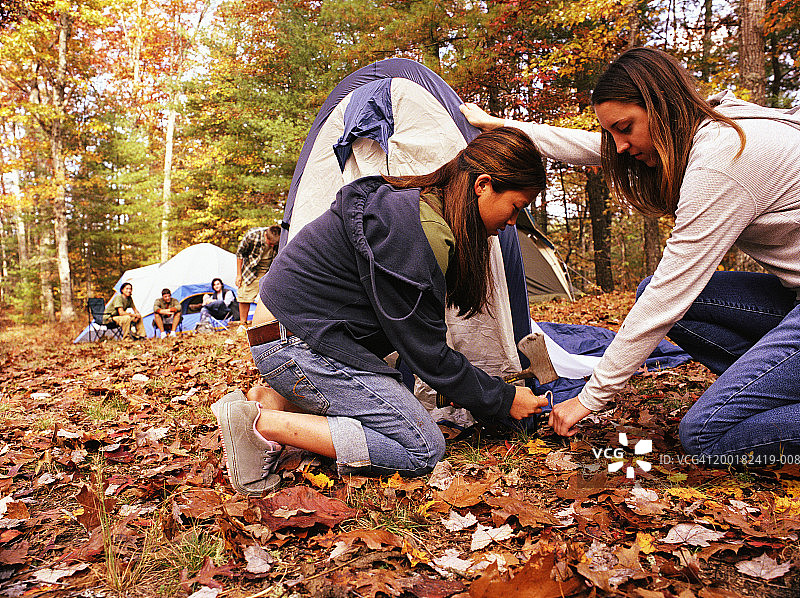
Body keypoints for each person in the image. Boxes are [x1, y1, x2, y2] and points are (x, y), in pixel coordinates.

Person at [461, 47, 800, 461]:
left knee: (705, 434)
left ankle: (760, 396)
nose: (619, 147)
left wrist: (589, 398)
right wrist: (500, 126)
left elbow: (669, 296)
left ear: (660, 104)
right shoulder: (708, 124)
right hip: (792, 293)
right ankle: (770, 387)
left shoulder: (724, 162)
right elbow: (589, 146)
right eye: (612, 134)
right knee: (647, 289)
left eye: (625, 128)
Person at [211, 127, 551, 495]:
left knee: (395, 414)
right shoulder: (423, 234)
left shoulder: (417, 208)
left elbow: (414, 341)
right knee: (422, 449)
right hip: (295, 343)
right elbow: (429, 354)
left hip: (288, 331)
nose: (513, 223)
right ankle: (259, 425)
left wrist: (465, 389)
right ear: (483, 185)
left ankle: (273, 399)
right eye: (515, 207)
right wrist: (503, 399)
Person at [236, 225, 281, 324]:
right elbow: (240, 254)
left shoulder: (281, 237)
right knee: (244, 295)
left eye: (275, 244)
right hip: (252, 270)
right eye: (271, 244)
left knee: (268, 296)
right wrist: (239, 275)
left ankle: (265, 322)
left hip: (269, 269)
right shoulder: (252, 235)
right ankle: (243, 323)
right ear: (266, 236)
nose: (272, 246)